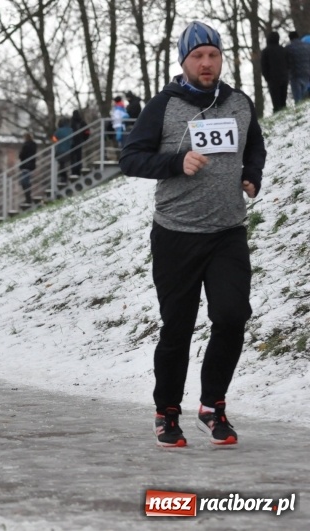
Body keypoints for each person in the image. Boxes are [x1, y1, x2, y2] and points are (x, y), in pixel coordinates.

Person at [119, 21, 266, 448]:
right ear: (183, 61)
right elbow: (131, 159)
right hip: (176, 234)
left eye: (213, 55)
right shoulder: (164, 105)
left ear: (221, 59)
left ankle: (212, 405)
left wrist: (252, 175)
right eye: (198, 56)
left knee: (233, 315)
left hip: (227, 232)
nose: (206, 63)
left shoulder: (239, 102)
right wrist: (175, 161)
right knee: (178, 328)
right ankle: (167, 412)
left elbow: (255, 145)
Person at [260, 31, 289, 112]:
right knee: (283, 98)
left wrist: (267, 77)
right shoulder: (283, 50)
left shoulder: (266, 51)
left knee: (275, 100)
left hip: (272, 79)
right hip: (284, 77)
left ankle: (277, 111)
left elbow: (263, 66)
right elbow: (288, 63)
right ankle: (284, 111)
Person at [286, 31, 310, 104]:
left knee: (298, 98)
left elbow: (287, 62)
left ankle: (299, 110)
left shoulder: (288, 48)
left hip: (295, 74)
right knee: (305, 93)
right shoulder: (307, 46)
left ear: (290, 39)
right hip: (307, 72)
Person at [52, 117, 73, 186]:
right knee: (69, 164)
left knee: (62, 165)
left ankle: (63, 177)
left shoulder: (59, 131)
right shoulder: (71, 130)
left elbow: (54, 138)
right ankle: (69, 175)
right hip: (69, 150)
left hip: (60, 150)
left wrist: (58, 141)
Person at [18, 133, 36, 207]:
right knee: (25, 181)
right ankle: (28, 198)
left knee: (24, 182)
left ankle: (28, 198)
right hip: (30, 165)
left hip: (26, 165)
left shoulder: (26, 145)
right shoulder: (33, 145)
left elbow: (21, 155)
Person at [69, 110, 89, 178]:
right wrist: (84, 139)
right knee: (78, 157)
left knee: (72, 158)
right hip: (79, 141)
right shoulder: (82, 122)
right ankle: (78, 171)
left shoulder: (70, 122)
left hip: (72, 142)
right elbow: (87, 131)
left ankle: (73, 172)